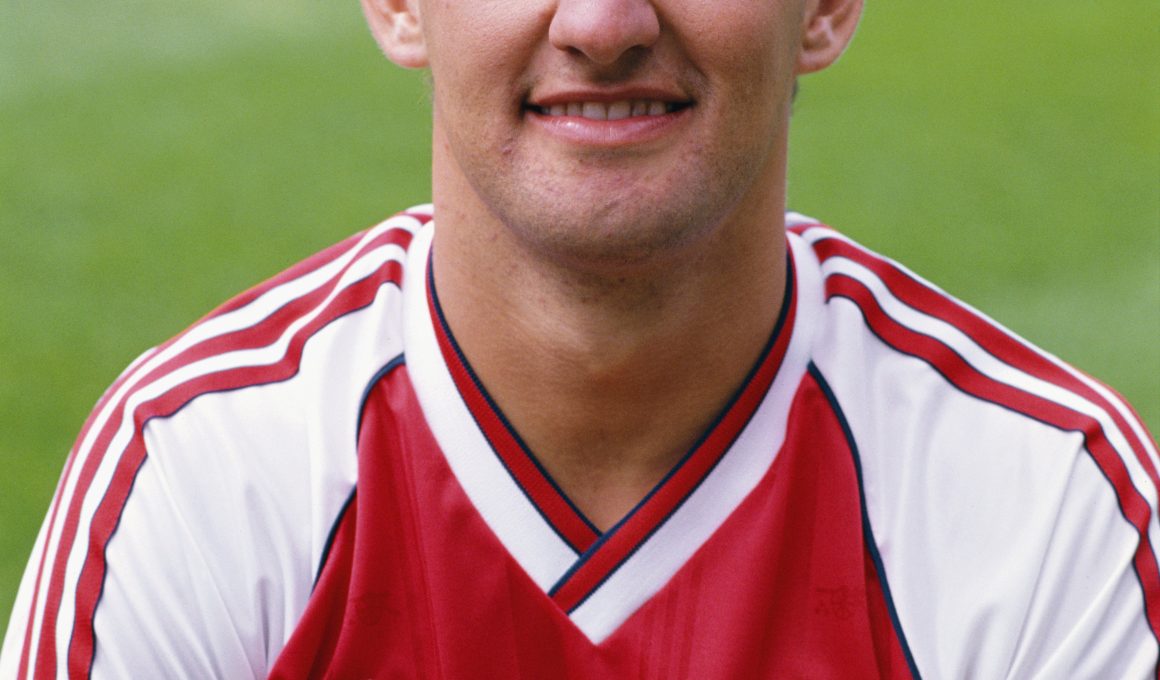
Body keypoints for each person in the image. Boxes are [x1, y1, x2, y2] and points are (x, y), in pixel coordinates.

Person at [3, 0, 1157, 676]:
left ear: (823, 7)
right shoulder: (197, 474)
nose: (603, 26)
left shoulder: (1048, 503)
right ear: (400, 4)